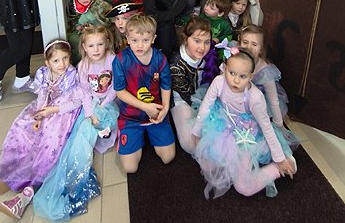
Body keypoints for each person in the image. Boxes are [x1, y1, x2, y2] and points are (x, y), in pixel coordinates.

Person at [34, 26, 119, 220]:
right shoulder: (82, 66)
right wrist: (90, 113)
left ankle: (76, 175)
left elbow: (115, 86)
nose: (96, 49)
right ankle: (70, 180)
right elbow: (85, 93)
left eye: (100, 44)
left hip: (109, 103)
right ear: (84, 47)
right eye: (91, 45)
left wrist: (103, 105)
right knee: (78, 135)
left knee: (94, 129)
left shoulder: (113, 60)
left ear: (107, 43)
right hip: (90, 105)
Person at [192, 47, 297, 199]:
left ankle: (281, 166)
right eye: (232, 73)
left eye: (242, 76)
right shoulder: (219, 82)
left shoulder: (255, 97)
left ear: (251, 76)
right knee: (208, 163)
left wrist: (279, 159)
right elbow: (206, 106)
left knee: (243, 187)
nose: (235, 80)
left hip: (246, 137)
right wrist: (197, 132)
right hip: (224, 124)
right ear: (224, 69)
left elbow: (267, 128)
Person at [0, 40, 82, 219]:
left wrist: (53, 110)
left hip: (62, 111)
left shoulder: (72, 74)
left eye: (65, 58)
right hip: (45, 108)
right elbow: (42, 94)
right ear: (47, 62)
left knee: (51, 139)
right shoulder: (43, 73)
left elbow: (76, 101)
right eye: (56, 60)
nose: (62, 64)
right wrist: (39, 114)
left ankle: (31, 185)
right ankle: (12, 172)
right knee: (22, 129)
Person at [113, 15, 176, 173]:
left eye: (145, 40)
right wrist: (145, 107)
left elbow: (166, 85)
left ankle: (150, 133)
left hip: (155, 113)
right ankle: (129, 136)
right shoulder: (120, 60)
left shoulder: (160, 59)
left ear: (153, 39)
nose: (140, 45)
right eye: (135, 40)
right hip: (130, 116)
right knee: (130, 168)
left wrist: (165, 108)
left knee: (168, 158)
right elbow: (120, 92)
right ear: (127, 39)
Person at [170, 17, 212, 154]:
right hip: (183, 98)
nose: (202, 47)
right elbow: (185, 94)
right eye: (197, 41)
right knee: (190, 144)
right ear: (186, 39)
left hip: (205, 93)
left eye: (207, 42)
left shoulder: (210, 56)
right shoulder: (176, 64)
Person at [239, 25, 288, 127]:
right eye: (245, 42)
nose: (249, 47)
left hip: (257, 102)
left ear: (261, 49)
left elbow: (273, 101)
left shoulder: (265, 73)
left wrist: (279, 125)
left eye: (254, 44)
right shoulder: (235, 59)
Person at [65, 0, 112, 64]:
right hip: (84, 35)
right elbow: (73, 23)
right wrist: (79, 27)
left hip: (99, 32)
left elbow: (109, 22)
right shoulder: (74, 7)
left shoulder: (100, 5)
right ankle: (81, 66)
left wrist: (95, 28)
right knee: (74, 39)